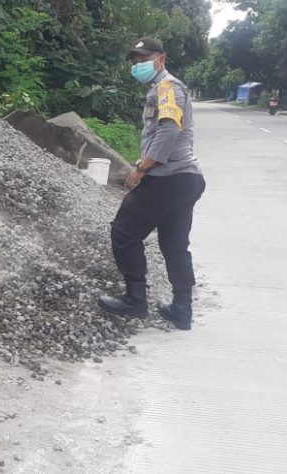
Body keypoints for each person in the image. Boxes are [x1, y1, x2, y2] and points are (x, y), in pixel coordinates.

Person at [97, 38, 206, 330]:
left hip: (167, 179)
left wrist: (142, 168)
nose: (137, 64)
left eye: (143, 58)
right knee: (174, 244)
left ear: (161, 58)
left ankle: (135, 300)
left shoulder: (167, 87)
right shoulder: (161, 88)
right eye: (134, 60)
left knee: (123, 231)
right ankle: (182, 309)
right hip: (185, 179)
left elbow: (169, 131)